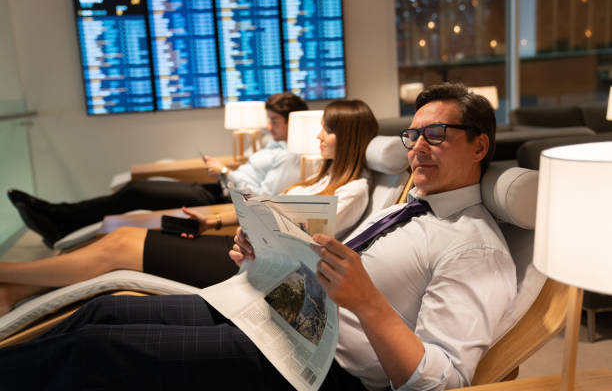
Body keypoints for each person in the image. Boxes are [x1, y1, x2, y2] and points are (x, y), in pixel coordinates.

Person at [0, 83, 516, 391]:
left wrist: (370, 303)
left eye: (436, 135)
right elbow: (321, 279)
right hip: (282, 315)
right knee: (103, 309)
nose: (418, 148)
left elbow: (443, 381)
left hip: (318, 366)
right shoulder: (407, 208)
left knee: (96, 349)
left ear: (479, 146)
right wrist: (264, 260)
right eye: (413, 135)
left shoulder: (474, 247)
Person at [0, 100, 379, 317]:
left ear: (347, 138)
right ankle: (14, 288)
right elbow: (273, 207)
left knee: (123, 245)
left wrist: (246, 220)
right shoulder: (320, 178)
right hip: (247, 249)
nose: (318, 136)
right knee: (125, 236)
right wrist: (216, 217)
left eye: (327, 131)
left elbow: (307, 235)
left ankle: (8, 273)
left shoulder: (354, 190)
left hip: (267, 267)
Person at [7, 92, 307, 248]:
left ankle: (60, 218)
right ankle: (59, 215)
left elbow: (265, 197)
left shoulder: (294, 156)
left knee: (136, 193)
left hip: (223, 204)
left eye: (274, 122)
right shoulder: (275, 143)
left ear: (292, 121)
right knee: (134, 190)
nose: (269, 126)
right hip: (219, 189)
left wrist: (227, 174)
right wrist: (223, 171)